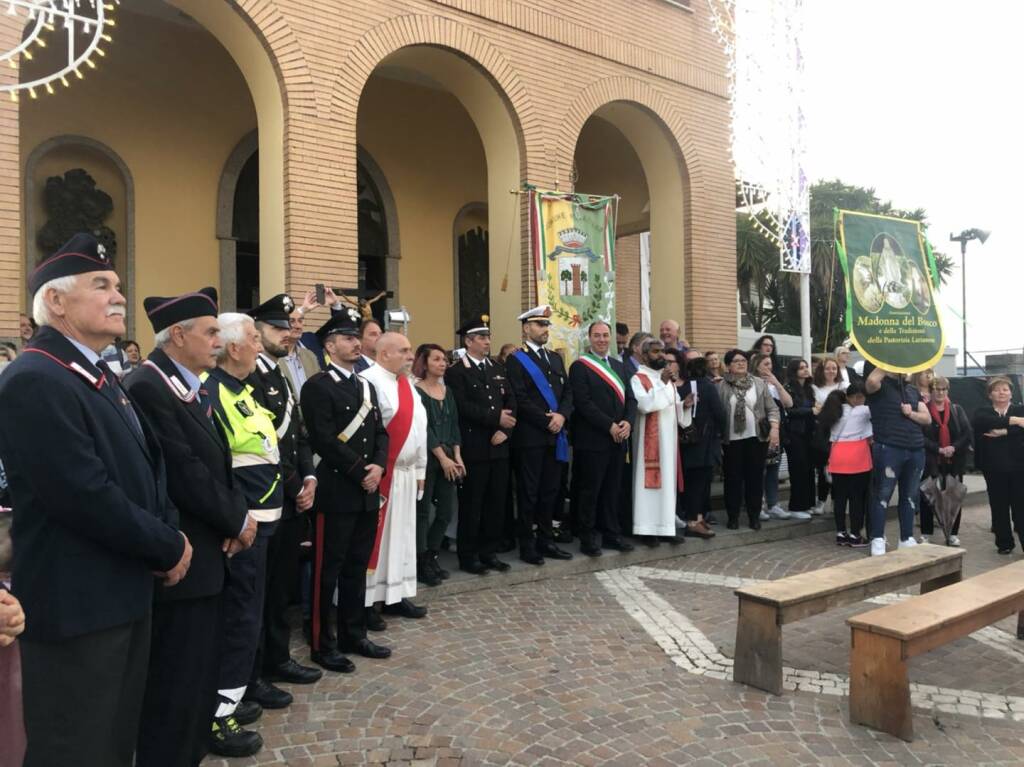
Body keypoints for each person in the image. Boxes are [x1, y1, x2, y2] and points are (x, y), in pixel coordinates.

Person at [0, 233, 191, 767]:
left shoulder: (93, 372)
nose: (119, 296)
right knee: (74, 746)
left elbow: (148, 468)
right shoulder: (35, 378)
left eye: (119, 286)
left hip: (120, 591)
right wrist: (168, 544)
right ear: (55, 302)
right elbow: (81, 494)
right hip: (78, 603)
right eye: (101, 284)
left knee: (111, 742)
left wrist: (166, 532)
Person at [126, 288, 259, 765]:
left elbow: (223, 463)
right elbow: (184, 473)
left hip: (210, 553)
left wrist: (236, 512)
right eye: (209, 332)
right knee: (175, 685)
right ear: (177, 335)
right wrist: (237, 518)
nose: (218, 341)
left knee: (196, 678)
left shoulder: (188, 383)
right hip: (186, 558)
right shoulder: (148, 385)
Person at [203, 313, 284, 751]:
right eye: (254, 339)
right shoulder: (214, 393)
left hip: (264, 525)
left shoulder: (243, 391)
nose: (258, 345)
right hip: (243, 528)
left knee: (249, 616)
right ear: (234, 348)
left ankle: (234, 695)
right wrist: (235, 520)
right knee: (237, 619)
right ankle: (219, 715)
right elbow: (217, 469)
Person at [300, 309, 390, 672]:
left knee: (356, 567)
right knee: (328, 571)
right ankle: (323, 644)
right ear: (329, 345)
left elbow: (380, 431)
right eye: (348, 338)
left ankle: (354, 633)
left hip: (366, 491)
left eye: (357, 337)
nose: (356, 343)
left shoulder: (366, 385)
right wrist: (360, 471)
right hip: (337, 492)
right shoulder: (317, 386)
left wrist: (379, 466)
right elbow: (321, 439)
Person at [246, 295, 323, 708]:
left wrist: (309, 476)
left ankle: (277, 658)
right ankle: (253, 670)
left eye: (290, 327)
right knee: (259, 590)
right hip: (269, 495)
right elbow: (265, 443)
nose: (289, 333)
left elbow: (298, 434)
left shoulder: (278, 374)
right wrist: (296, 485)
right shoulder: (249, 376)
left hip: (293, 496)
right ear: (256, 331)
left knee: (279, 588)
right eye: (278, 328)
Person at [361, 332, 429, 621]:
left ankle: (395, 595)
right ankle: (367, 601)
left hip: (406, 472)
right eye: (403, 350)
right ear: (384, 353)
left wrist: (421, 469)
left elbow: (420, 429)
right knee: (377, 539)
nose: (410, 356)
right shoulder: (369, 381)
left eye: (410, 349)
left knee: (402, 537)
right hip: (383, 474)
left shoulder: (408, 385)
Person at [504, 305, 574, 564]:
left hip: (555, 435)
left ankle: (547, 540)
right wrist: (548, 420)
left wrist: (562, 416)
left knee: (550, 491)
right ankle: (527, 544)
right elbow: (519, 398)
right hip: (531, 437)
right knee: (529, 492)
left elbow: (567, 393)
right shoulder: (515, 359)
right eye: (540, 325)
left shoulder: (555, 359)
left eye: (547, 325)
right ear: (526, 328)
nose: (546, 329)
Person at [447, 318, 517, 575]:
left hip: (499, 447)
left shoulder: (497, 367)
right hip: (474, 448)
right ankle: (469, 555)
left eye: (488, 337)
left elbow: (512, 400)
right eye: (481, 337)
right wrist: (494, 418)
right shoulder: (457, 371)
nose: (487, 341)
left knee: (496, 504)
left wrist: (505, 429)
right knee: (472, 505)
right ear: (468, 341)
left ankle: (489, 552)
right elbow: (462, 407)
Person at [568, 321, 636, 556]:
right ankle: (588, 537)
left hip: (619, 439)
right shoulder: (580, 366)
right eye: (597, 335)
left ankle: (611, 534)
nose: (602, 339)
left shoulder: (620, 366)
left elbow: (631, 400)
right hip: (593, 439)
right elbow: (583, 403)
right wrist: (609, 425)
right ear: (590, 338)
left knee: (613, 489)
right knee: (591, 491)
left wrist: (628, 422)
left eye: (605, 335)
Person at [864, 363, 931, 556]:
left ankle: (906, 537)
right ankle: (877, 538)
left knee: (910, 495)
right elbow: (871, 380)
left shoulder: (911, 390)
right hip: (889, 447)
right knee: (882, 494)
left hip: (916, 448)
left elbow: (926, 418)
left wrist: (911, 414)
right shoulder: (878, 387)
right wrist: (890, 359)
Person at [630, 337, 690, 546]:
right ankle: (646, 530)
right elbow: (645, 405)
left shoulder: (667, 378)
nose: (661, 356)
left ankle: (665, 527)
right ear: (644, 355)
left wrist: (685, 406)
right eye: (656, 352)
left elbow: (672, 408)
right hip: (649, 444)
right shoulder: (638, 378)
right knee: (649, 487)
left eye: (662, 352)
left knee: (667, 486)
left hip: (668, 443)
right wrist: (663, 383)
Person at [413, 343, 465, 582]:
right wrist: (443, 458)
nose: (442, 363)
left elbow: (454, 424)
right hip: (428, 459)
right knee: (423, 512)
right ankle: (421, 560)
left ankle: (432, 554)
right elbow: (425, 430)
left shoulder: (448, 391)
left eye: (444, 359)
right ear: (424, 363)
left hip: (448, 458)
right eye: (436, 359)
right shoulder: (417, 391)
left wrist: (457, 456)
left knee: (445, 511)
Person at [716, 349, 780, 530]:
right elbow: (718, 413)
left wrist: (774, 428)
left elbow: (772, 409)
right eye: (736, 361)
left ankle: (754, 516)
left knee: (755, 479)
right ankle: (733, 516)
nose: (741, 363)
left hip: (756, 438)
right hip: (731, 441)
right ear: (728, 365)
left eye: (743, 360)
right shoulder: (721, 386)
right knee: (733, 479)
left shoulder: (758, 383)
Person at [816, 383, 872, 548]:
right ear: (852, 397)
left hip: (837, 457)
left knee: (839, 498)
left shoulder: (835, 410)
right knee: (857, 499)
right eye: (860, 397)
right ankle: (855, 535)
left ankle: (841, 533)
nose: (861, 400)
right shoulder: (864, 411)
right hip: (858, 458)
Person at [972, 377, 1024, 554]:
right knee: (998, 506)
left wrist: (1004, 431)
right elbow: (983, 423)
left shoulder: (1020, 409)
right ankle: (1004, 543)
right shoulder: (982, 412)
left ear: (1011, 393)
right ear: (989, 394)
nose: (1001, 392)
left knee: (1021, 506)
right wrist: (1016, 422)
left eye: (1005, 389)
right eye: (997, 389)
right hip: (993, 467)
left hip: (1019, 466)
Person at [921, 375, 972, 546]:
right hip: (932, 461)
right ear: (931, 390)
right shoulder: (924, 409)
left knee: (954, 497)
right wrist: (938, 449)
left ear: (947, 391)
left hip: (953, 461)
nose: (940, 392)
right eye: (936, 389)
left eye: (943, 389)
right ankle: (926, 533)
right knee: (928, 497)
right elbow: (920, 436)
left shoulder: (957, 410)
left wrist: (953, 448)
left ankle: (952, 533)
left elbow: (966, 433)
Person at [680, 354, 724, 539]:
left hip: (686, 442)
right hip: (705, 443)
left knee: (693, 485)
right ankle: (693, 522)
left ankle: (696, 518)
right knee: (699, 486)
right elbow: (720, 413)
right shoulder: (708, 387)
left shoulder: (682, 388)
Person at [751, 352, 793, 520]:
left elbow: (789, 403)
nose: (769, 367)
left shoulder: (774, 385)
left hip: (776, 431)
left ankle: (773, 504)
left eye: (770, 364)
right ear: (756, 366)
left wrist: (776, 383)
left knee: (773, 468)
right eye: (765, 364)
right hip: (759, 431)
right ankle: (758, 505)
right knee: (758, 470)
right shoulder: (752, 383)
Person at [782, 359, 815, 521]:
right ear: (794, 371)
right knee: (798, 469)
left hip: (808, 433)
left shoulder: (809, 388)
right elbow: (790, 411)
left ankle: (807, 503)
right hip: (794, 434)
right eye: (801, 368)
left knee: (808, 469)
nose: (805, 370)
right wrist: (811, 411)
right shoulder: (789, 388)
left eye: (806, 367)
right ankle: (796, 506)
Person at [810, 356, 842, 515]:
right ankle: (821, 501)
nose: (831, 371)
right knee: (824, 470)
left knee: (839, 470)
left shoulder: (844, 386)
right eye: (828, 368)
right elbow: (815, 409)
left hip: (842, 433)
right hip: (823, 433)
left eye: (834, 368)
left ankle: (836, 502)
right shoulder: (815, 388)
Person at [281, 305, 321, 396]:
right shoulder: (273, 357)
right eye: (292, 321)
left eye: (300, 320)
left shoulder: (310, 356)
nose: (298, 326)